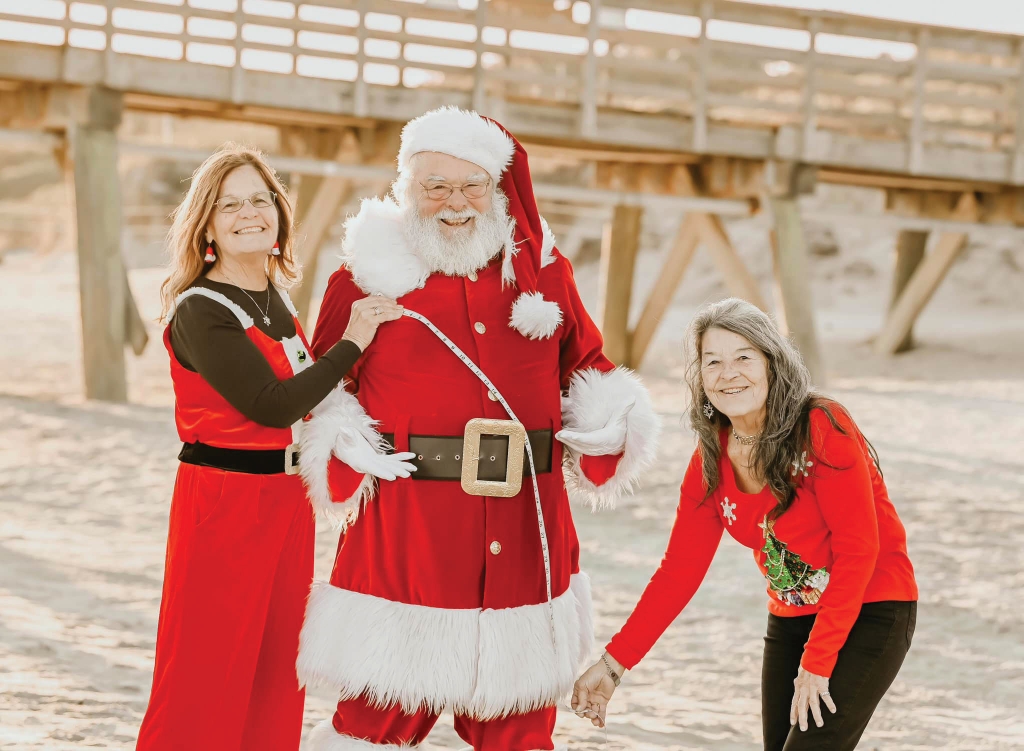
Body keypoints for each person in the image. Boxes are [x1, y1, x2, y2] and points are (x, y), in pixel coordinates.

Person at [294, 106, 661, 750]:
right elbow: (324, 388)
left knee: (518, 731)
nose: (454, 204)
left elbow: (587, 368)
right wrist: (345, 442)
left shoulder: (546, 275)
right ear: (408, 189)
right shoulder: (363, 281)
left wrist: (612, 424)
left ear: (498, 190)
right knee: (376, 722)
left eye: (472, 186)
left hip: (526, 532)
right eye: (435, 186)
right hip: (410, 532)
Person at [136, 145, 409, 751]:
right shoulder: (201, 310)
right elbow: (272, 404)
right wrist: (353, 342)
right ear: (207, 225)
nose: (249, 213)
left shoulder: (273, 298)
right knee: (206, 666)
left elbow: (309, 398)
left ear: (280, 215)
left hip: (287, 499)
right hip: (224, 501)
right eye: (230, 205)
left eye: (260, 199)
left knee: (275, 668)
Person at [572, 298, 919, 751]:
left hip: (873, 605)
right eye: (712, 361)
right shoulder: (710, 460)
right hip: (792, 615)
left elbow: (859, 550)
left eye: (743, 357)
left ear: (772, 364)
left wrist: (817, 662)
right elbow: (678, 574)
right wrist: (614, 664)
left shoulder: (821, 426)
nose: (727, 373)